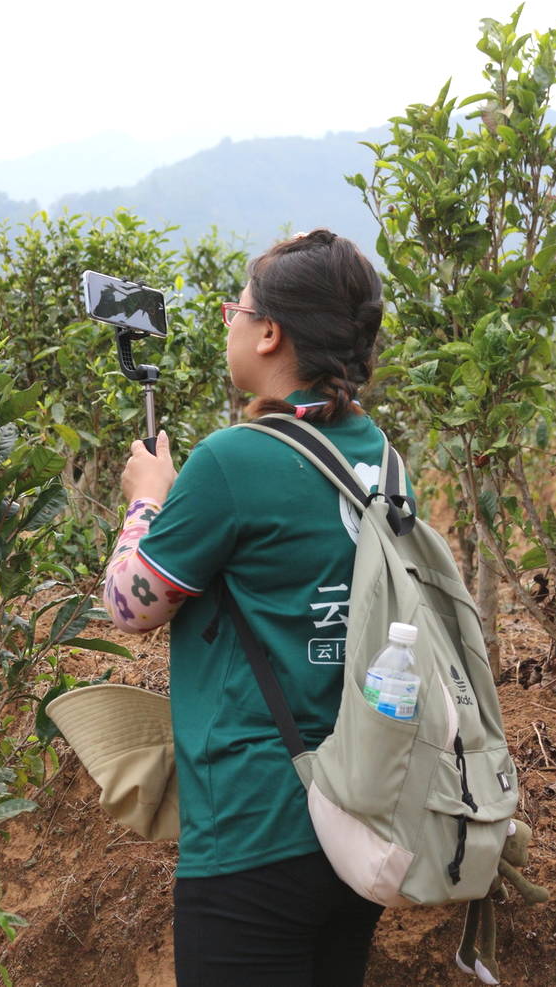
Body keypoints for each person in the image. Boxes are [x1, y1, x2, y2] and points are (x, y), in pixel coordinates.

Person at [103, 229, 393, 987]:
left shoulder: (234, 459)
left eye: (237, 307)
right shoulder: (378, 454)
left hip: (253, 825)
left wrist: (146, 502)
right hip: (362, 814)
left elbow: (130, 605)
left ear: (270, 332)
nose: (230, 319)